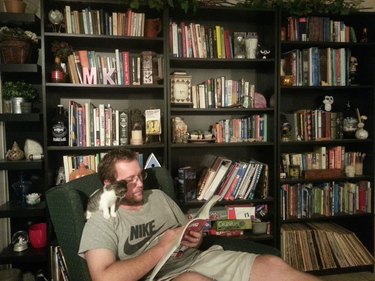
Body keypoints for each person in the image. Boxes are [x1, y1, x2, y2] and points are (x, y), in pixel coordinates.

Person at [79, 148, 321, 281]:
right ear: (109, 183)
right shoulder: (101, 221)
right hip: (162, 277)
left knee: (273, 265)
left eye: (140, 175)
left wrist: (196, 239)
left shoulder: (159, 198)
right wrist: (162, 248)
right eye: (129, 180)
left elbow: (187, 233)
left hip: (198, 259)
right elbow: (104, 278)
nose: (139, 184)